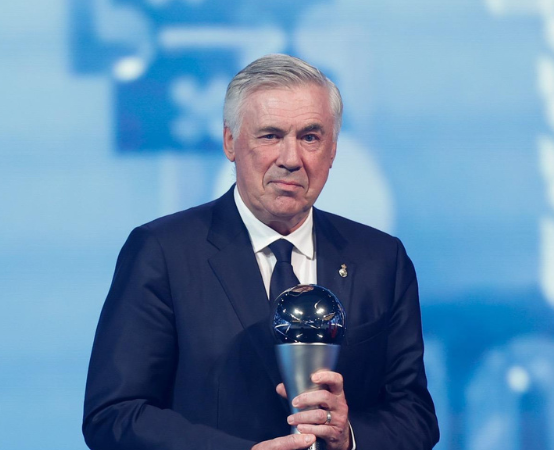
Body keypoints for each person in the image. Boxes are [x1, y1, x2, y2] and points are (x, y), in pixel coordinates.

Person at [83, 54, 439, 450]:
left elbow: (416, 417)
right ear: (230, 142)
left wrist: (348, 437)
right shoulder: (162, 252)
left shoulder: (381, 259)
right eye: (270, 136)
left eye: (310, 137)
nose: (291, 159)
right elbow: (113, 415)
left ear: (333, 150)